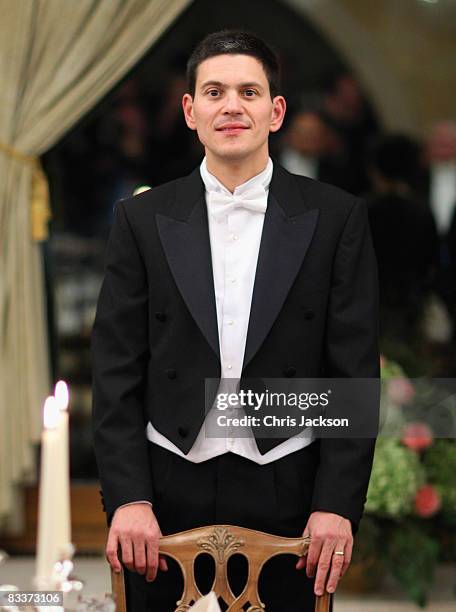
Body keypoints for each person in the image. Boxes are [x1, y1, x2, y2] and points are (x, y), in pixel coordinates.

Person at [91, 30, 380, 611]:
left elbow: (352, 376)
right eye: (215, 91)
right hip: (166, 485)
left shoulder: (336, 217)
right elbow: (116, 369)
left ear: (275, 111)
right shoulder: (141, 219)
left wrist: (336, 505)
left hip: (289, 485)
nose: (231, 106)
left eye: (249, 92)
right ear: (190, 110)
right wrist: (128, 499)